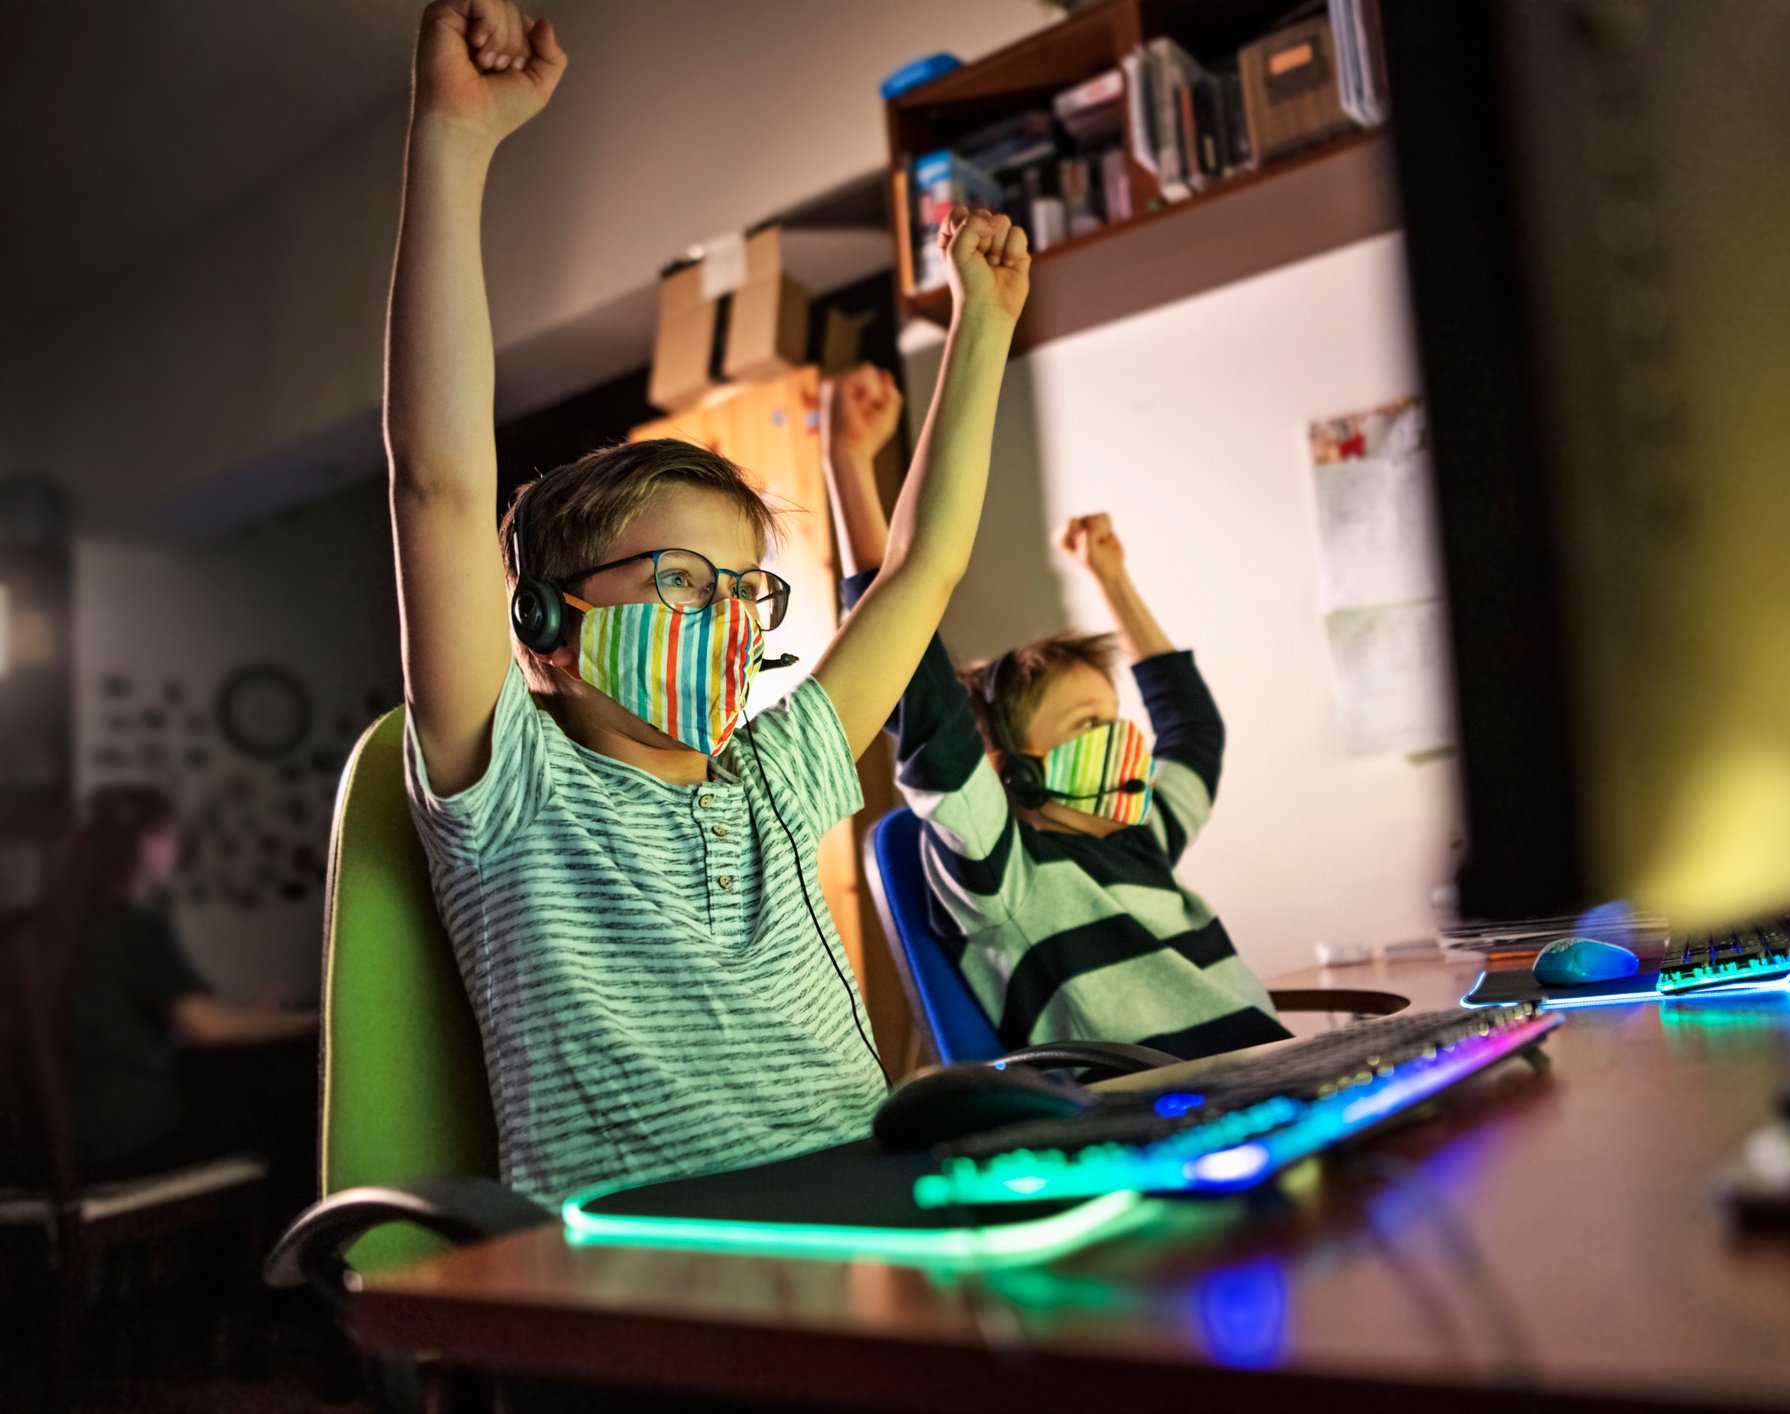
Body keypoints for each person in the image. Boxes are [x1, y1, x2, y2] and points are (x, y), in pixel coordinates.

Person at [387, 0, 1028, 1207]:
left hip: (872, 1213)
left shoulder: (775, 776)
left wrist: (978, 333)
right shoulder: (511, 785)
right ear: (545, 630)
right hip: (666, 1264)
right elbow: (437, 482)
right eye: (680, 580)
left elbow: (921, 568)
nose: (728, 617)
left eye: (743, 589)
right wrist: (452, 140)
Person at [822, 391, 1288, 1061]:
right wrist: (847, 463)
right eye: (1086, 723)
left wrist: (1111, 576)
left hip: (1269, 1078)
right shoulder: (1003, 870)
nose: (1121, 737)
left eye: (1113, 714)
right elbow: (919, 691)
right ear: (1011, 763)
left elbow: (1192, 729)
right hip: (1166, 1114)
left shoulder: (1142, 837)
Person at [34, 787, 316, 1186]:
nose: (176, 850)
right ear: (144, 843)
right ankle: (298, 1243)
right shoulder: (133, 927)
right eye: (170, 837)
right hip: (126, 1141)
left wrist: (254, 1017)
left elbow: (178, 1028)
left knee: (232, 1086)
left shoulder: (78, 927)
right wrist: (321, 1020)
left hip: (81, 1138)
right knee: (284, 1105)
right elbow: (207, 1027)